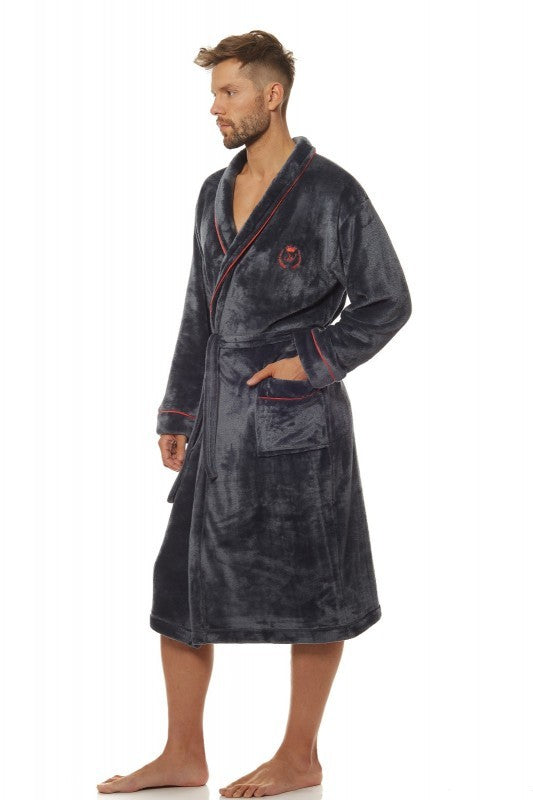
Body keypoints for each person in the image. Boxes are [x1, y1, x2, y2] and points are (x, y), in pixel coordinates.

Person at [97, 29, 412, 797]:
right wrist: (178, 410)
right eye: (213, 94)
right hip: (218, 418)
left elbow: (387, 300)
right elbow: (196, 310)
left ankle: (299, 757)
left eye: (228, 92)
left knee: (313, 589)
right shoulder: (214, 190)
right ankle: (182, 753)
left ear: (272, 96)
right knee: (180, 587)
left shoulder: (331, 193)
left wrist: (312, 358)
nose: (215, 107)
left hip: (296, 421)